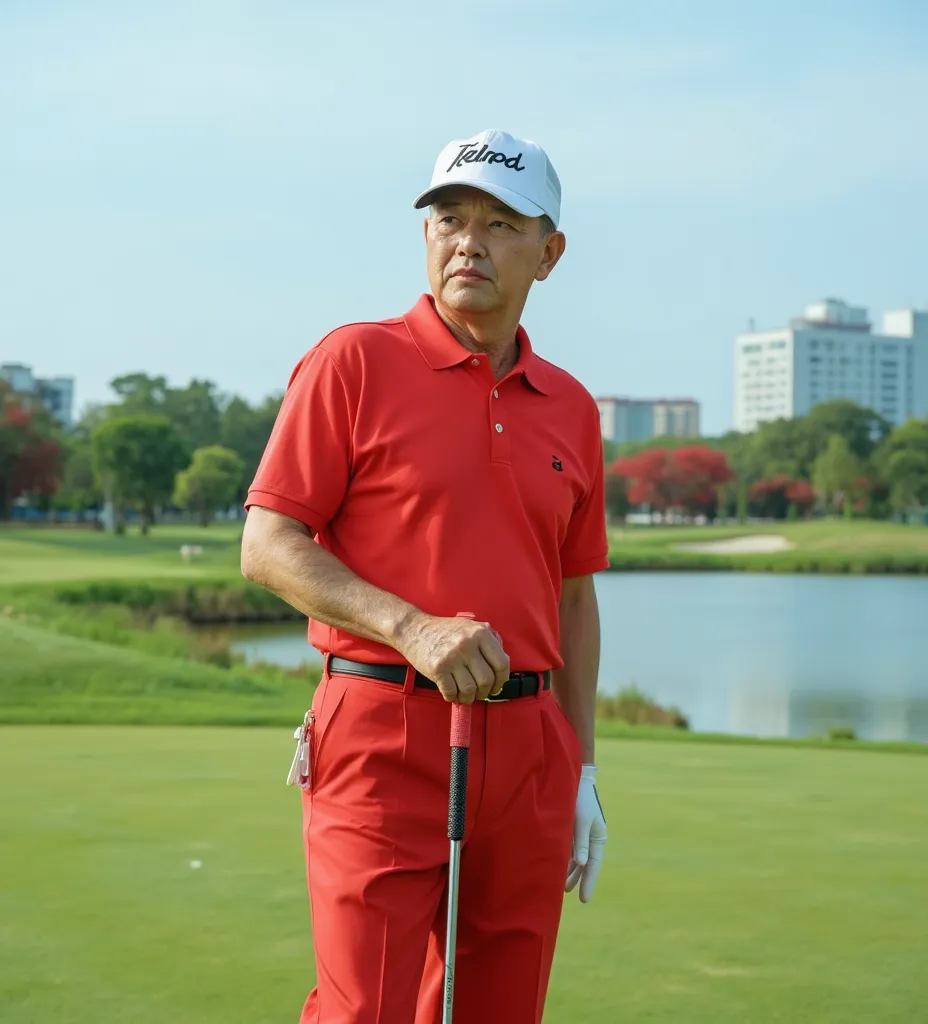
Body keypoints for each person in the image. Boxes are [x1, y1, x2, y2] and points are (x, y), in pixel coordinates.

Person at [241, 128, 609, 1024]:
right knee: (363, 1007)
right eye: (448, 218)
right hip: (380, 729)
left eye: (500, 223)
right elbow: (270, 543)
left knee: (501, 1008)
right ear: (426, 235)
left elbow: (571, 594)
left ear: (548, 253)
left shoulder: (572, 406)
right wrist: (413, 625)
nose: (468, 241)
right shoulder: (354, 361)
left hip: (528, 747)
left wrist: (584, 767)